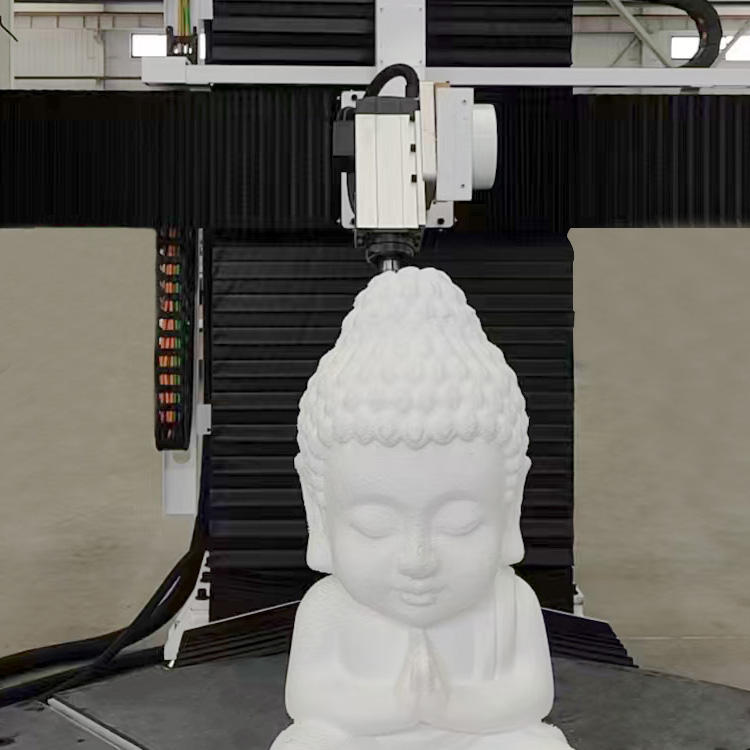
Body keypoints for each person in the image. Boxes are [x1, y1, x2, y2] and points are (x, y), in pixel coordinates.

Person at [270, 267, 573, 750]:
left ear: (510, 504)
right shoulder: (329, 606)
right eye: (374, 524)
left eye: (461, 522)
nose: (418, 560)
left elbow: (530, 697)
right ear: (318, 512)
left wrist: (450, 707)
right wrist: (396, 708)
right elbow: (309, 701)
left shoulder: (511, 601)